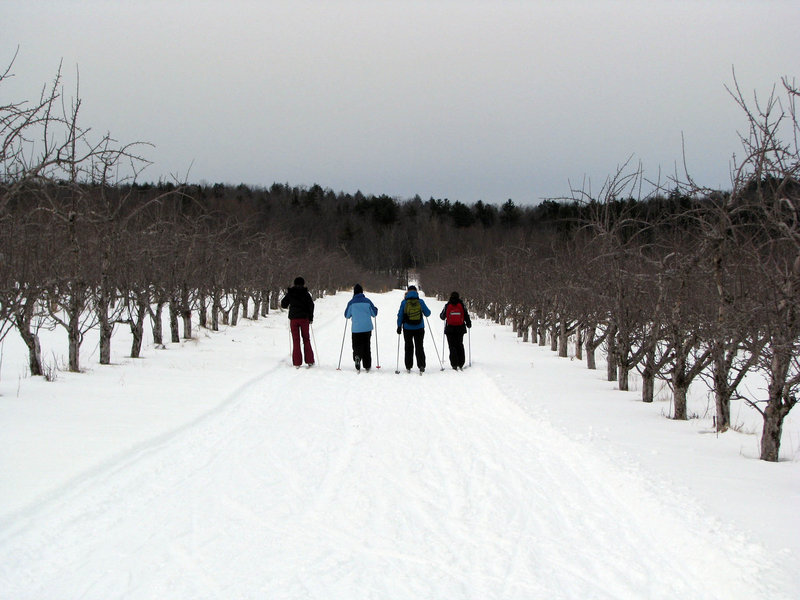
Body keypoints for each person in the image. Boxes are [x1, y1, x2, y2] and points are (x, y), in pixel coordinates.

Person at [280, 276, 315, 367]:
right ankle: (309, 360)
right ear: (303, 284)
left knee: (296, 340)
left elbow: (283, 304)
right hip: (304, 319)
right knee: (306, 339)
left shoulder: (291, 293)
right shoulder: (306, 294)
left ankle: (297, 362)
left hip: (294, 319)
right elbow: (311, 305)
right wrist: (310, 317)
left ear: (294, 283)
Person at [396, 285, 432, 373]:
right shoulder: (420, 302)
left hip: (407, 328)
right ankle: (421, 365)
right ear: (416, 292)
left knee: (408, 346)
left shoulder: (404, 303)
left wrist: (399, 326)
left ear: (407, 292)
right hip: (419, 327)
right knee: (419, 346)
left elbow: (400, 315)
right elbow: (428, 313)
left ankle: (408, 366)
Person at [344, 283, 378, 372]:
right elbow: (374, 314)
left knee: (356, 345)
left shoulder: (351, 302)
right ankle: (367, 365)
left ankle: (357, 356)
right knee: (367, 346)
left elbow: (347, 315)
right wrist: (376, 309)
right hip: (367, 328)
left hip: (356, 329)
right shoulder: (367, 301)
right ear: (362, 292)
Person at [439, 291, 472, 370]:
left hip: (450, 329)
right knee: (459, 344)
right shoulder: (461, 305)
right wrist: (468, 323)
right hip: (460, 328)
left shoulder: (447, 305)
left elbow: (442, 316)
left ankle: (454, 363)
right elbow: (466, 315)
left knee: (452, 346)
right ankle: (461, 363)